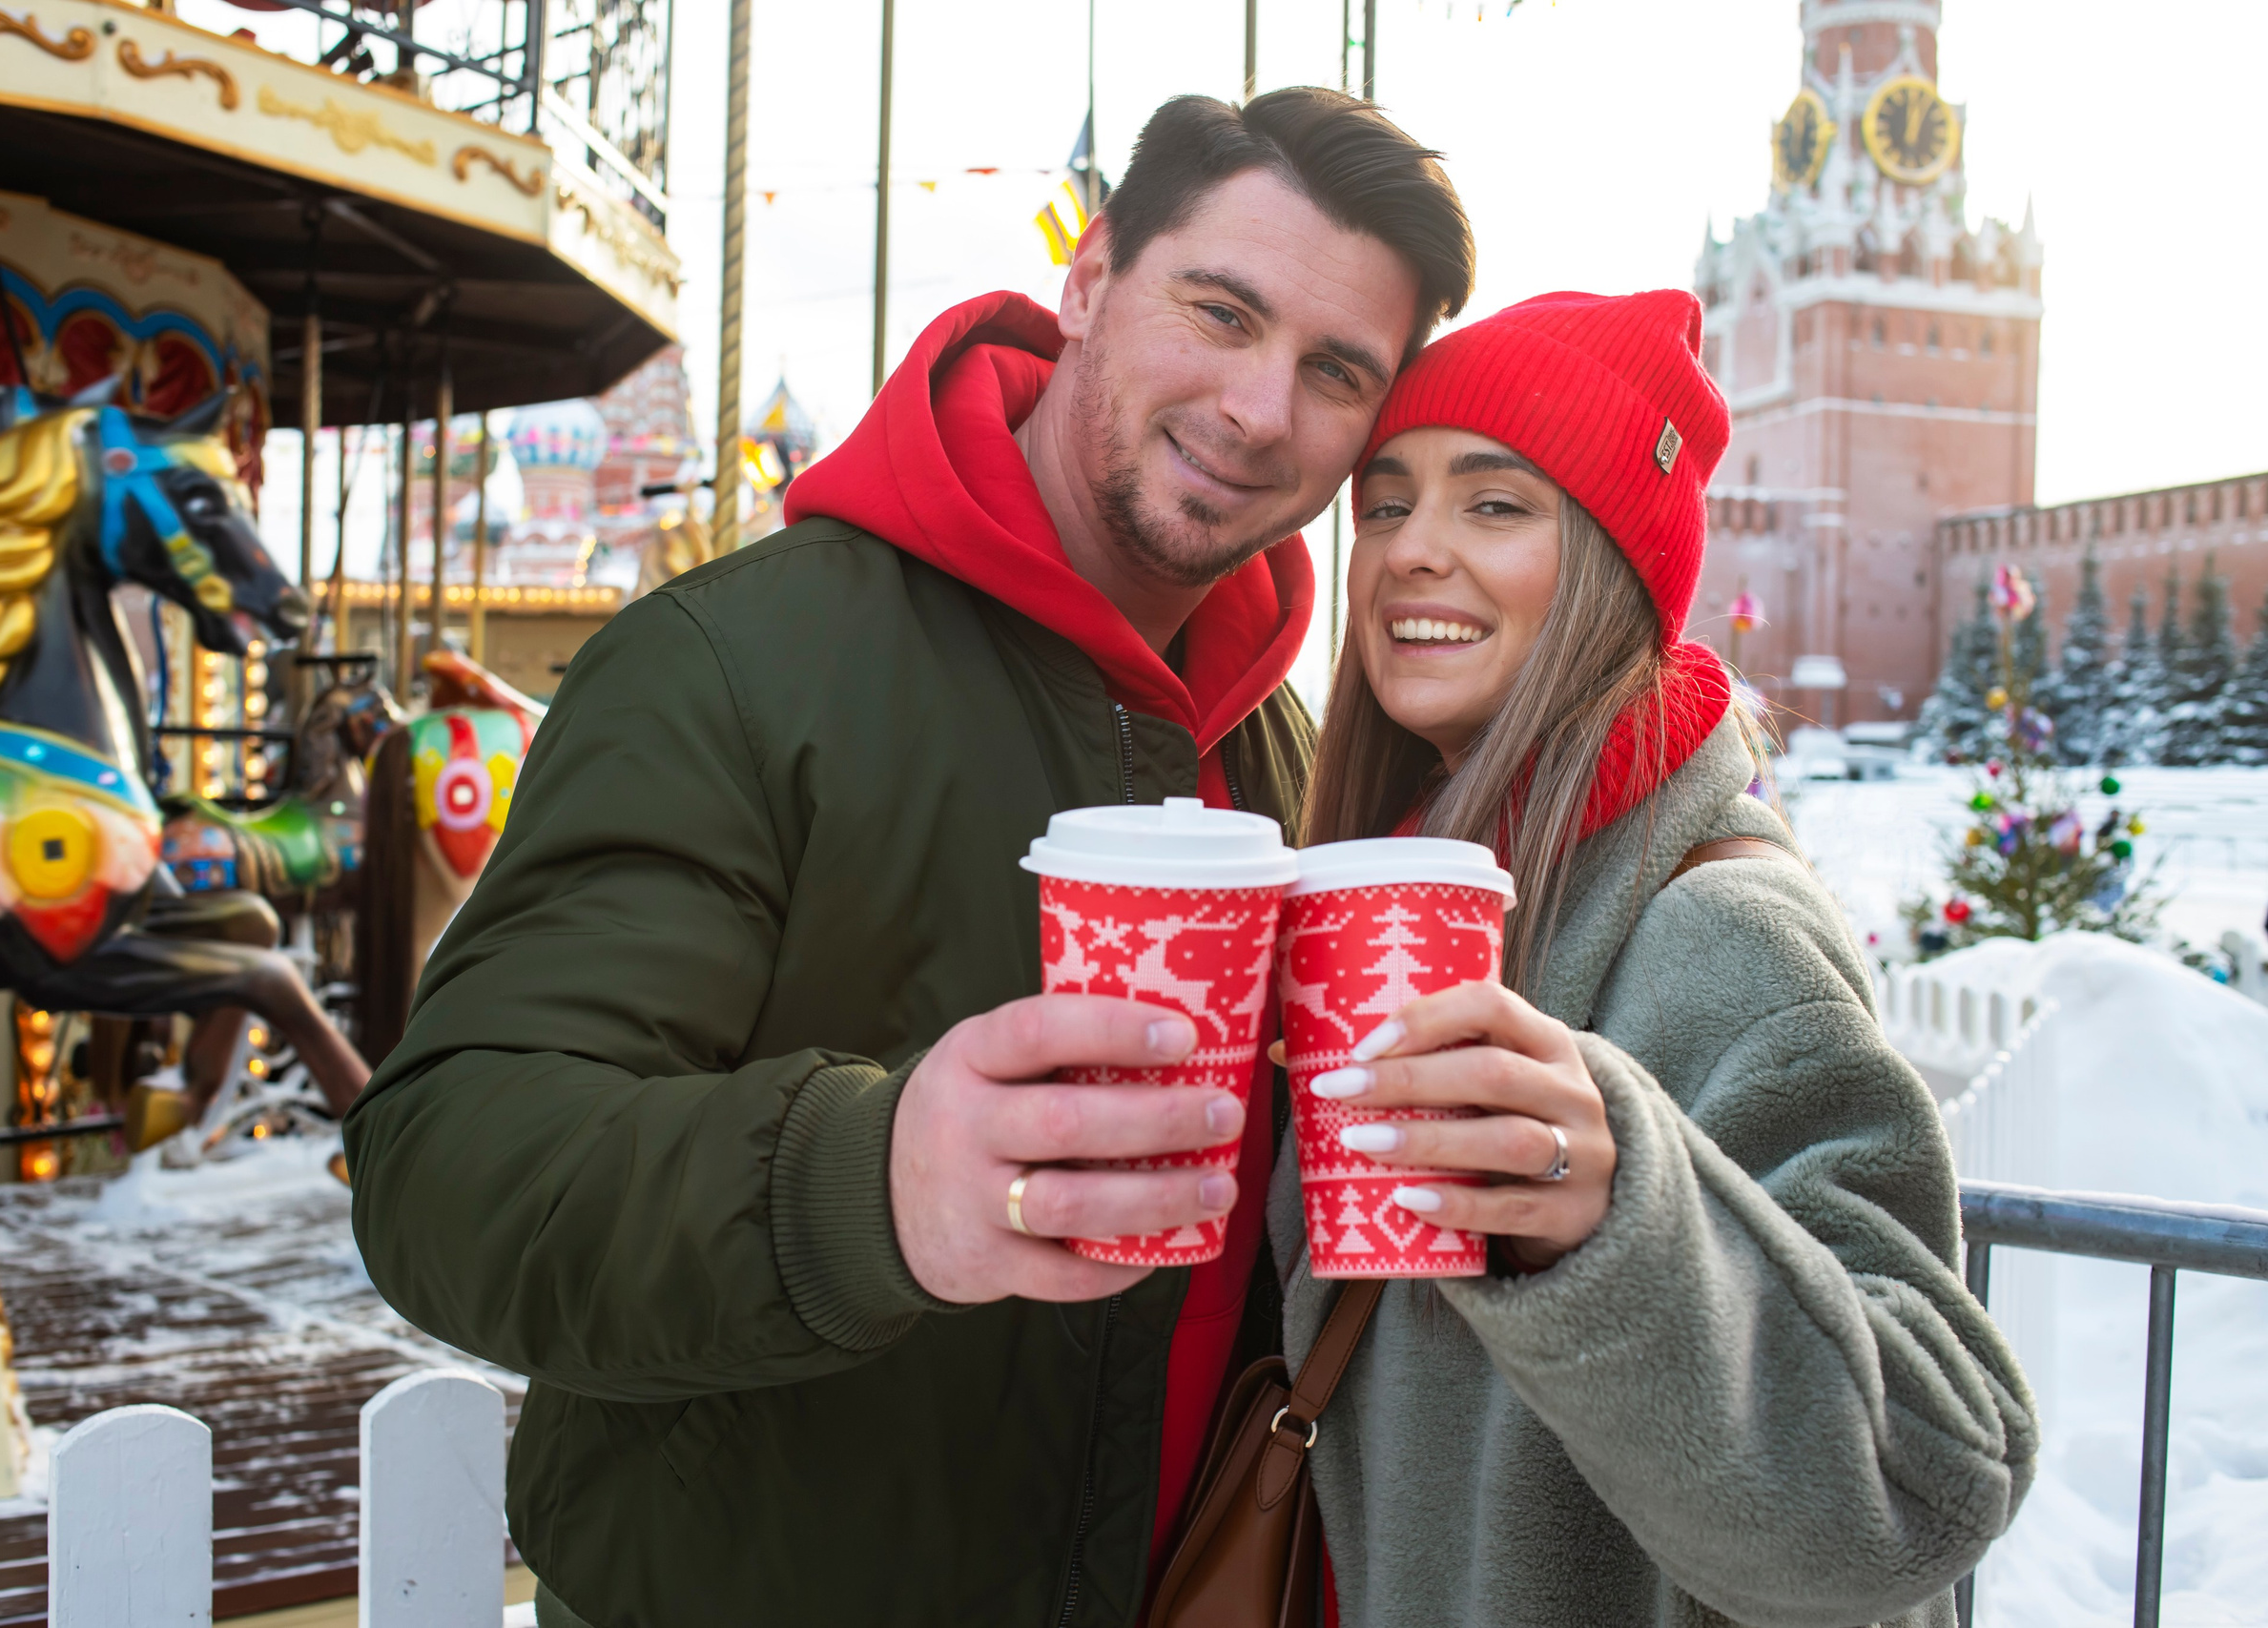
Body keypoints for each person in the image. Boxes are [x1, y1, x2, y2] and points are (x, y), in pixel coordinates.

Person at [343, 90, 1474, 1628]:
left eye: (1335, 372)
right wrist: (872, 1191)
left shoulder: (1285, 763)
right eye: (1221, 311)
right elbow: (447, 1167)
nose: (1261, 409)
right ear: (1086, 283)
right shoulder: (734, 669)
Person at [1280, 288, 2037, 1626]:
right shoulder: (1423, 903)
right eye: (1386, 502)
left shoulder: (1720, 932)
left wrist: (1613, 1218)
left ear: (1614, 569)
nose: (1410, 550)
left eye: (1495, 504)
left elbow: (1922, 1476)